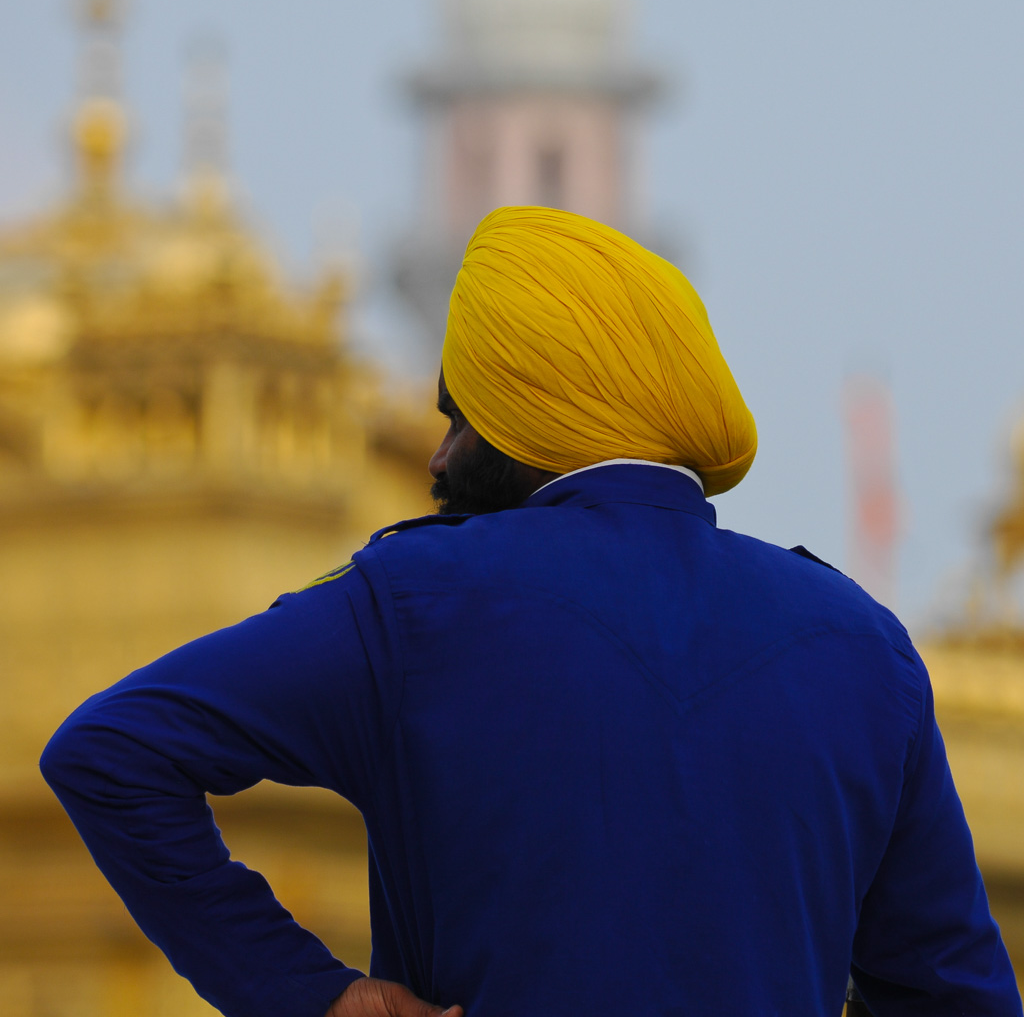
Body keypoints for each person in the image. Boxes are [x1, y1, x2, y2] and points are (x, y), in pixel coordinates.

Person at [42, 207, 1021, 1017]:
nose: (431, 461)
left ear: (524, 411)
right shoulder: (859, 648)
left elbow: (110, 748)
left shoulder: (419, 606)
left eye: (454, 417)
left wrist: (313, 995)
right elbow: (954, 992)